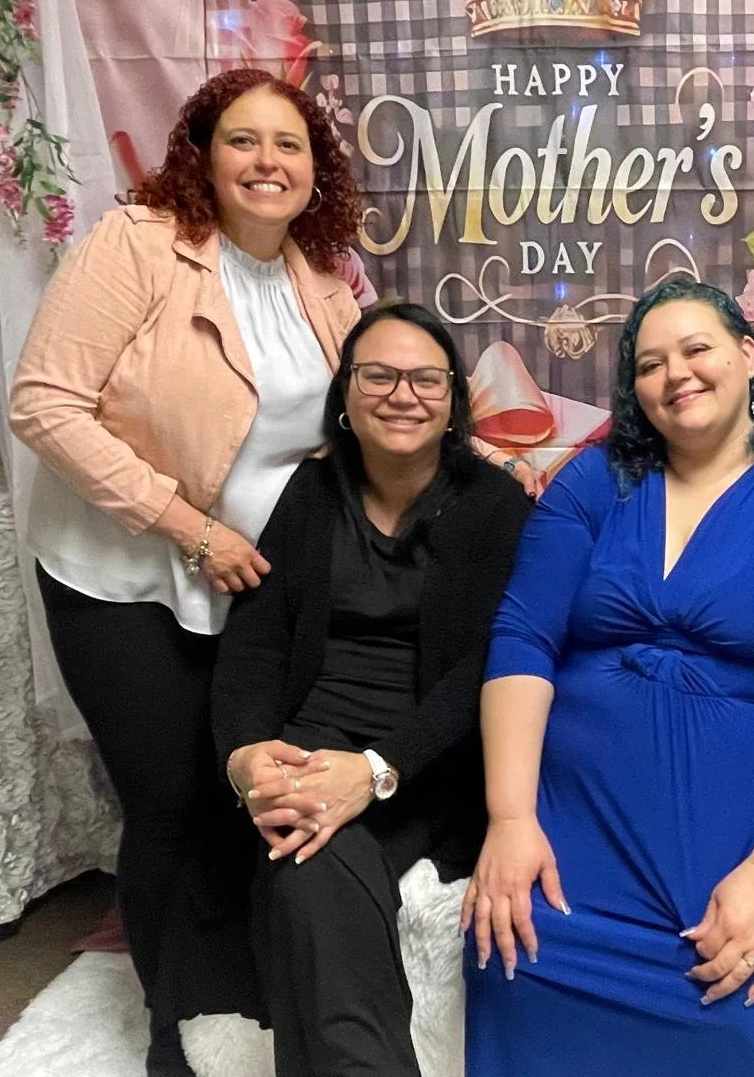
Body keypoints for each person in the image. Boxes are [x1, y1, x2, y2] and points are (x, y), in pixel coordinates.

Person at [9, 69, 362, 1075]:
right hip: (121, 575)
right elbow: (45, 403)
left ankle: (237, 1001)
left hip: (249, 586)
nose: (267, 162)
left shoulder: (321, 275)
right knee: (167, 804)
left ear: (313, 170)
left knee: (236, 792)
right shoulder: (136, 245)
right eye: (243, 141)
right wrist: (185, 526)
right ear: (203, 155)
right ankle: (171, 1030)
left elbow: (339, 428)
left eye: (288, 145)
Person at [462, 279, 754, 1076]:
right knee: (514, 965)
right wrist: (509, 820)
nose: (676, 375)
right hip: (588, 813)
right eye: (650, 363)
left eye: (696, 350)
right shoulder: (592, 484)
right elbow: (524, 639)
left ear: (746, 356)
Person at [211, 303, 531, 1076]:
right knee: (304, 846)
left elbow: (492, 670)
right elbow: (255, 643)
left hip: (427, 763)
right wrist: (248, 756)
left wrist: (379, 768)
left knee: (305, 861)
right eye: (379, 376)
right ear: (346, 397)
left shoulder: (496, 507)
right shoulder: (310, 495)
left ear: (454, 399)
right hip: (306, 750)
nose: (402, 394)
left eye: (426, 379)